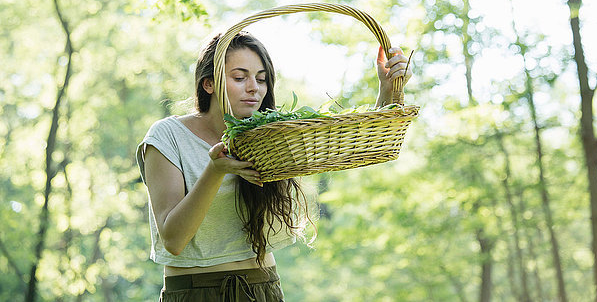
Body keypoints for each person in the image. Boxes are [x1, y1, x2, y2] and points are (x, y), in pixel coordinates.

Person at [135, 31, 412, 302]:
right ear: (209, 83)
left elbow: (347, 149)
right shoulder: (168, 135)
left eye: (261, 79)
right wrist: (215, 170)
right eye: (240, 77)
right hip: (194, 290)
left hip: (261, 287)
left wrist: (386, 94)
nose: (254, 87)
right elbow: (173, 240)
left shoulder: (270, 137)